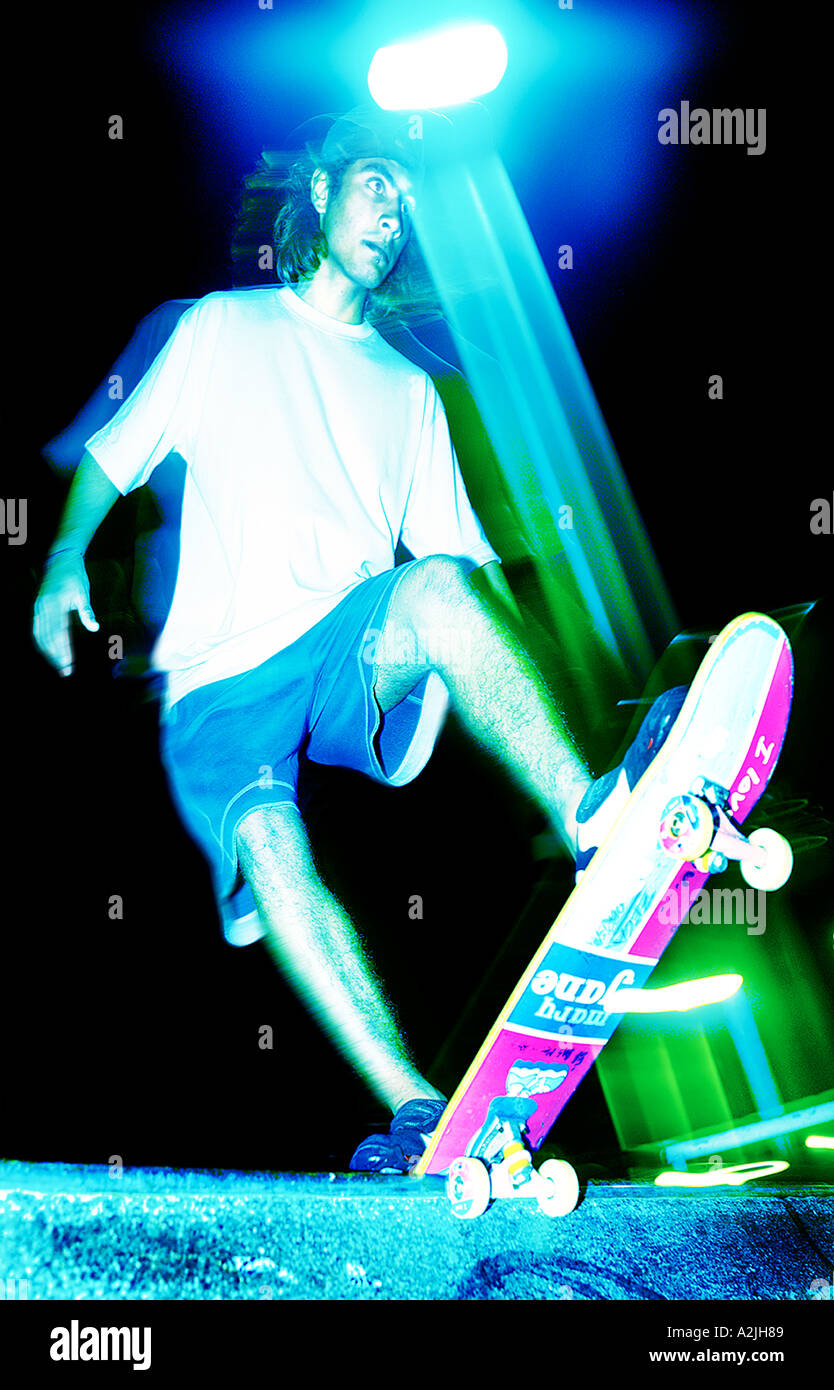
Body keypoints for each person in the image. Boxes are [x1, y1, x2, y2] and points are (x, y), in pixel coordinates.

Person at [33, 105, 685, 1173]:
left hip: (343, 649)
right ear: (323, 193)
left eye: (409, 201)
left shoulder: (410, 386)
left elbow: (462, 574)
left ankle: (589, 811)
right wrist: (63, 561)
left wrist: (550, 693)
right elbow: (114, 455)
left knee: (433, 584)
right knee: (272, 844)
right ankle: (421, 1106)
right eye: (378, 184)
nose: (396, 212)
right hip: (216, 682)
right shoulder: (221, 328)